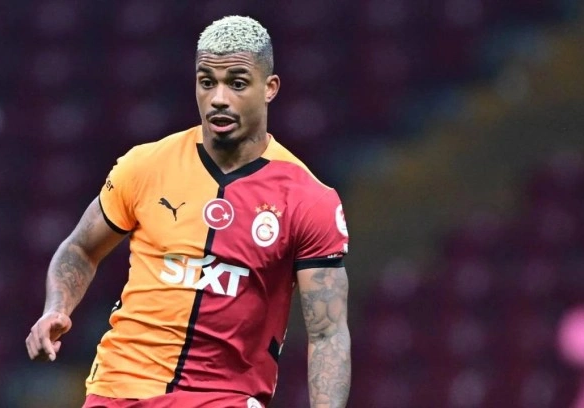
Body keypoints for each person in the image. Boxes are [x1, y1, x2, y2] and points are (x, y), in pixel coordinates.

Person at [25, 15, 351, 408]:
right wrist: (56, 309)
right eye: (207, 81)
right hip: (119, 388)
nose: (218, 98)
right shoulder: (145, 165)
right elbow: (81, 247)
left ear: (270, 88)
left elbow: (327, 334)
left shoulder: (307, 198)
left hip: (223, 396)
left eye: (237, 83)